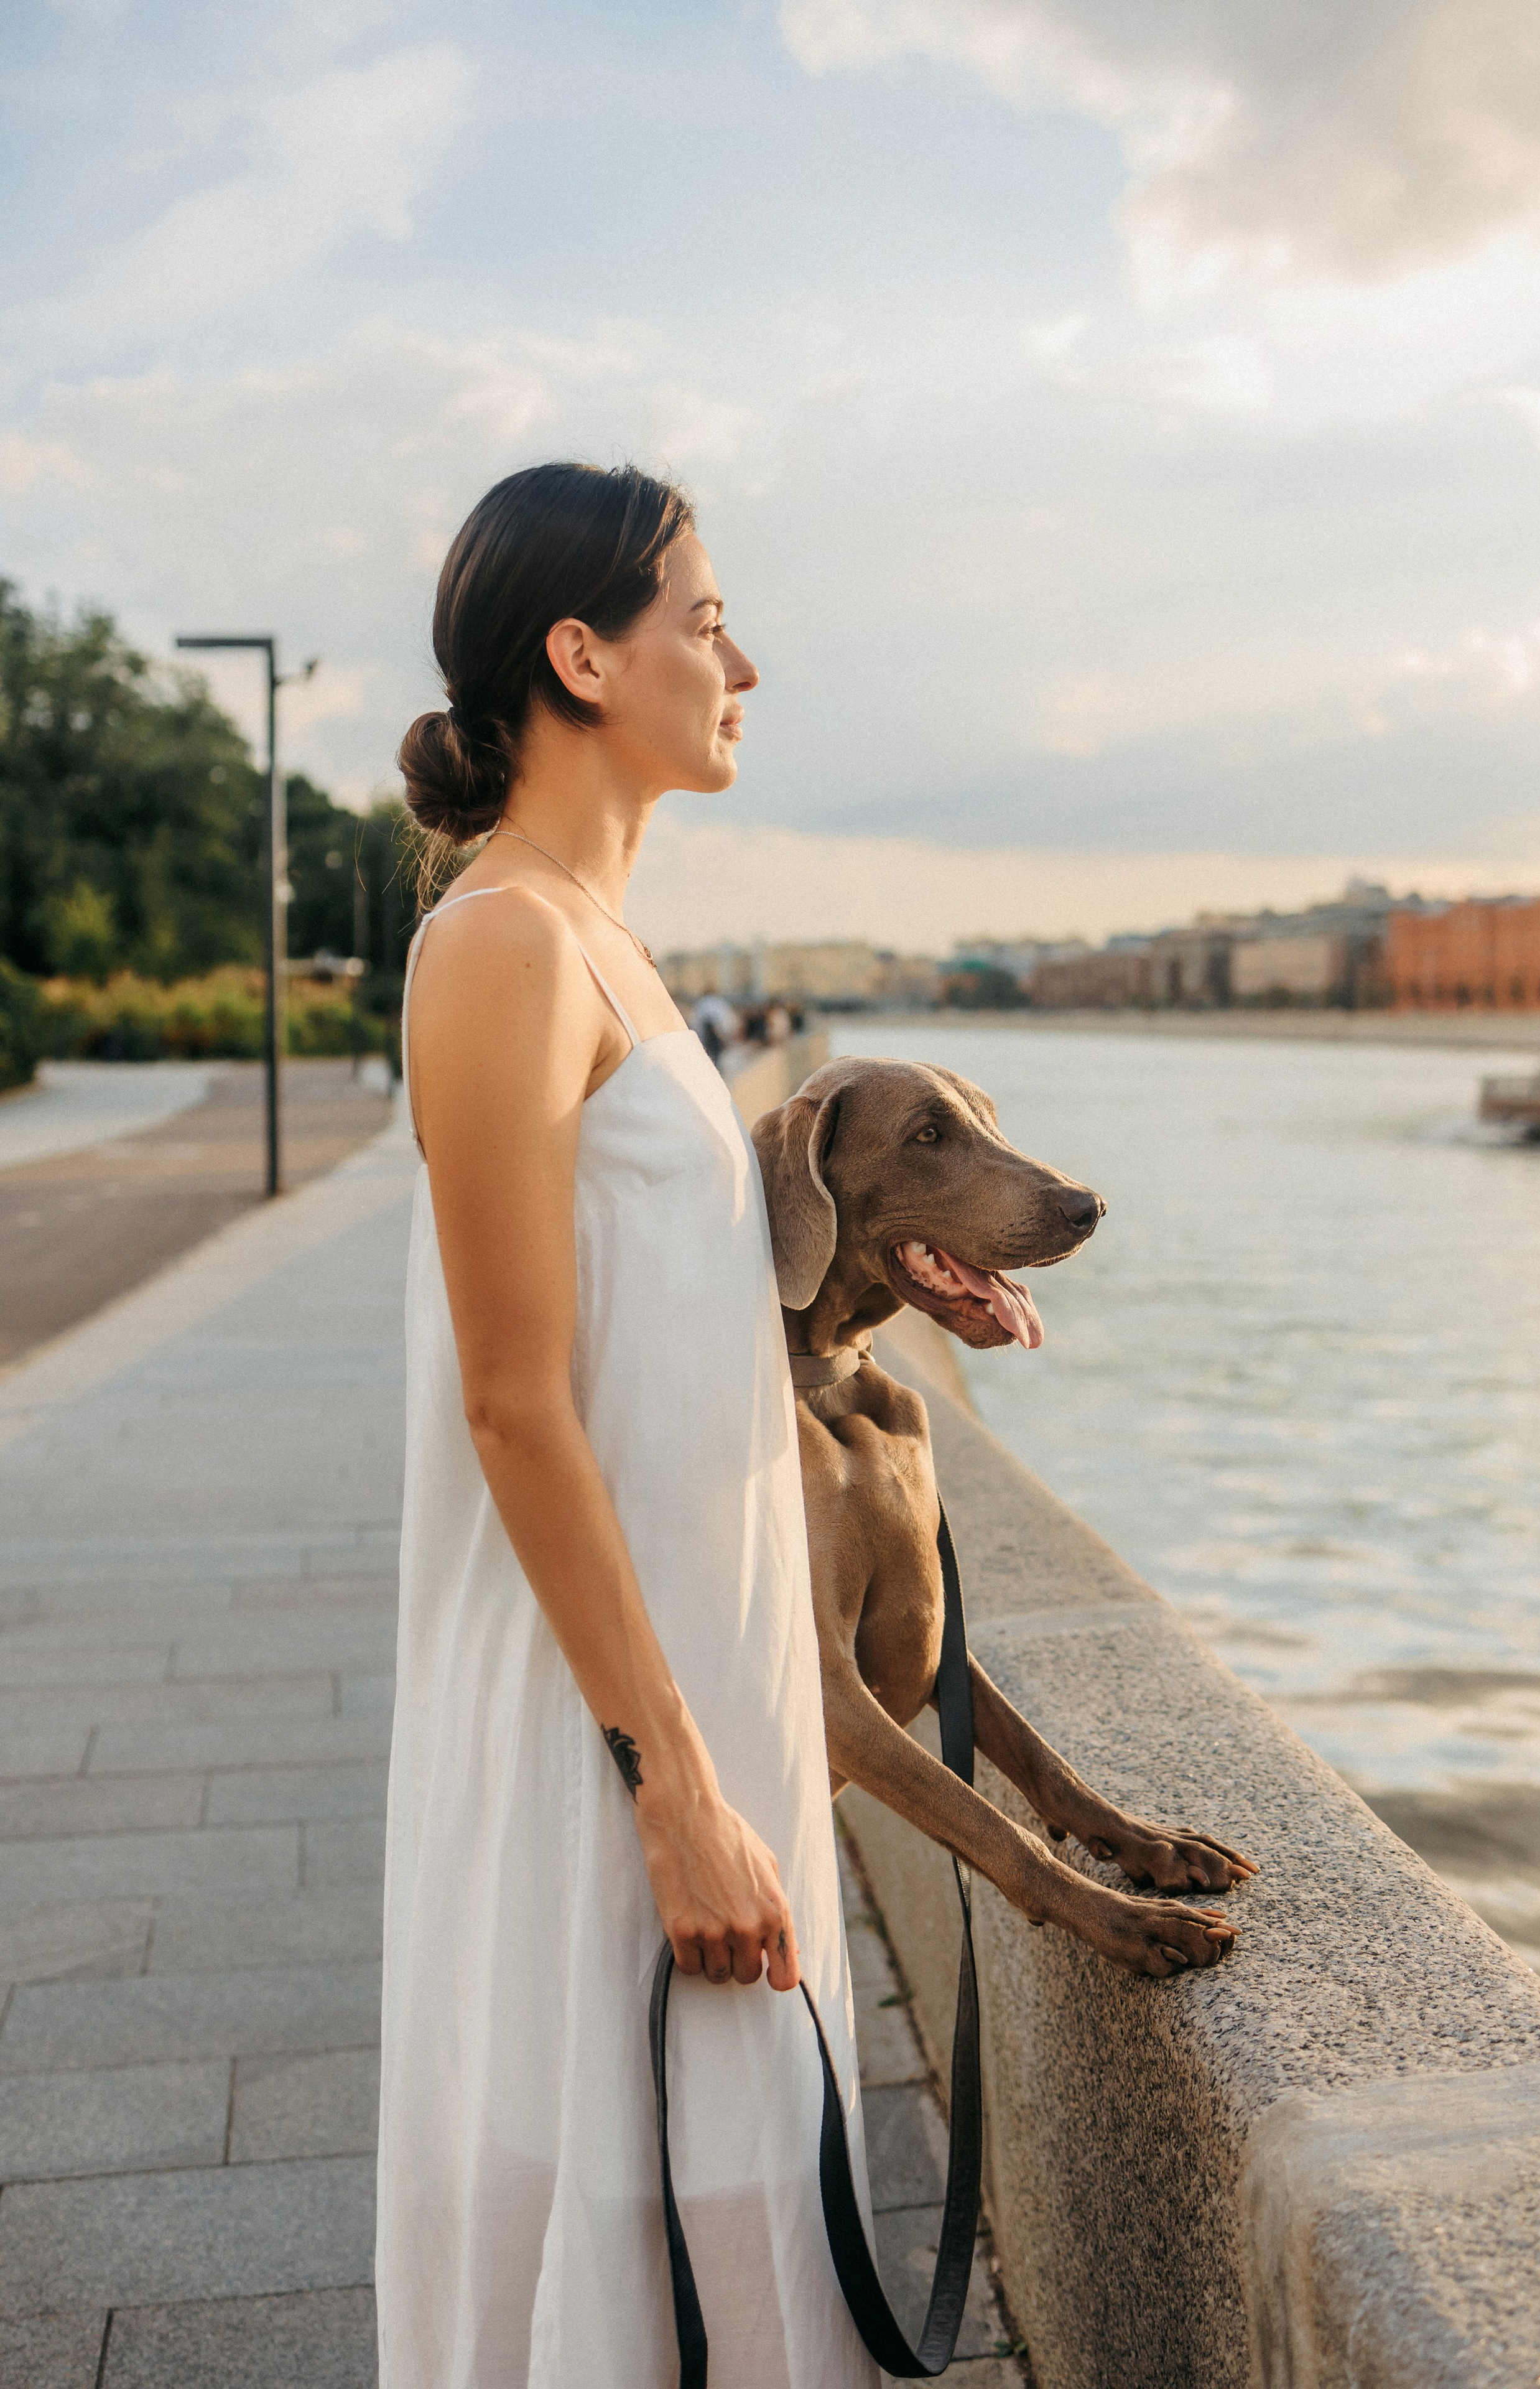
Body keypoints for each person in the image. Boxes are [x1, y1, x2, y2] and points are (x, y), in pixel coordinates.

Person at [378, 462, 879, 2389]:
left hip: (691, 1679)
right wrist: (668, 1787)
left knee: (717, 2224)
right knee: (629, 2235)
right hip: (611, 1718)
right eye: (702, 618)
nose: (741, 659)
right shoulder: (500, 945)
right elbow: (515, 1404)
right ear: (581, 657)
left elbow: (659, 1316)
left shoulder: (601, 941)